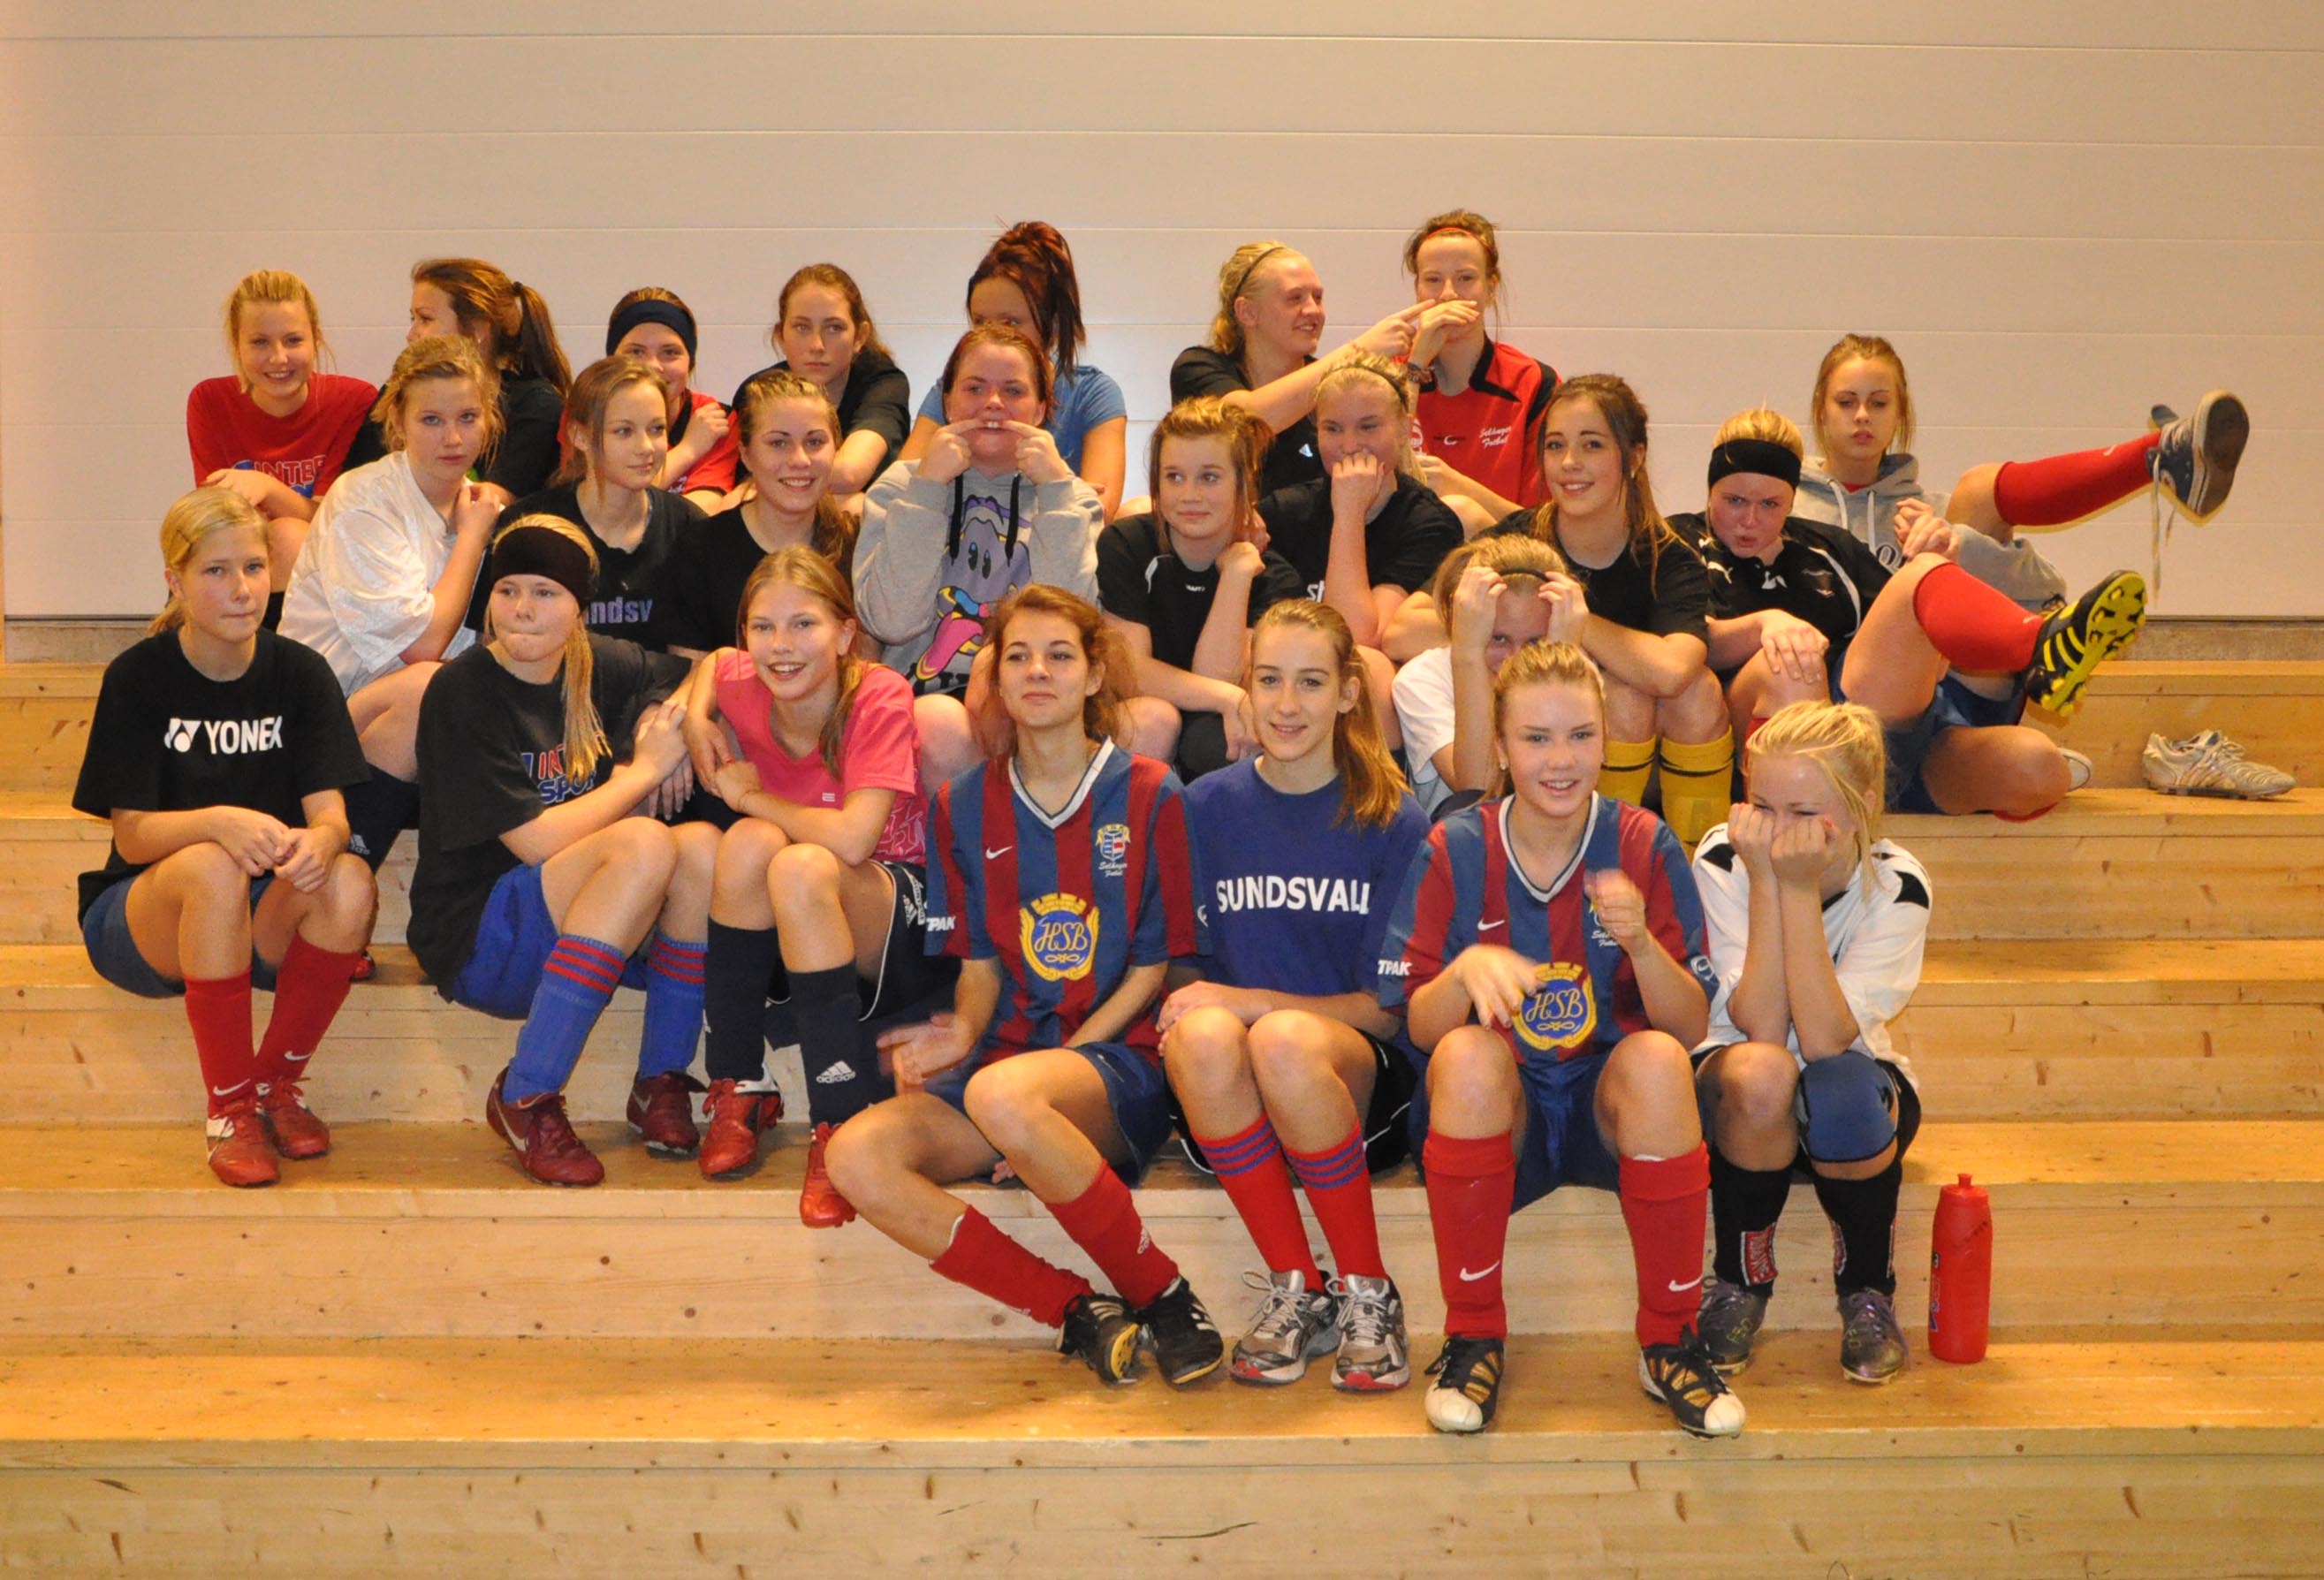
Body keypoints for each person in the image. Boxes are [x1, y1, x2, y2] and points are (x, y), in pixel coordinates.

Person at [823, 587, 1220, 1386]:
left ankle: (1166, 1297)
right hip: (1003, 1072)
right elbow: (978, 967)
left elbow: (1151, 969)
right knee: (856, 1156)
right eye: (1019, 656)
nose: (1038, 671)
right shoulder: (962, 803)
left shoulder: (1151, 791)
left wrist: (1052, 1080)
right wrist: (963, 1033)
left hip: (1116, 1062)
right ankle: (1075, 1310)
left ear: (1094, 675)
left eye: (1059, 655)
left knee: (1006, 1097)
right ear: (996, 678)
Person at [1378, 641, 1740, 1439]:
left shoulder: (1643, 842)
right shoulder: (1455, 845)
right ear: (1502, 748)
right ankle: (1473, 1334)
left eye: (1579, 735)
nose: (1560, 759)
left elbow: (1687, 1028)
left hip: (1606, 1110)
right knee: (1465, 1052)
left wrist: (1640, 944)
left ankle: (1670, 1339)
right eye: (1536, 738)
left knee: (1656, 1058)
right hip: (1499, 1116)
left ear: (1606, 738)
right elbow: (1418, 1026)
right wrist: (1464, 972)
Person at [71, 488, 375, 1187]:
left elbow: (332, 817)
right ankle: (229, 1109)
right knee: (212, 865)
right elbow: (134, 837)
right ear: (175, 582)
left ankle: (274, 1087)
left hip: (254, 919)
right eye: (215, 571)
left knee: (351, 880)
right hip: (142, 917)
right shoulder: (139, 676)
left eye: (254, 568)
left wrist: (323, 842)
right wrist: (218, 821)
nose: (242, 589)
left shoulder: (300, 672)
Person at [1162, 599, 1431, 1390]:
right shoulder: (1203, 807)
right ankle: (1298, 1287)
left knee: (1277, 1038)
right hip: (1234, 1100)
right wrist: (1226, 1010)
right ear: (1245, 687)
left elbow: (1387, 1010)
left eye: (1311, 682)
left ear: (1348, 693)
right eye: (1269, 680)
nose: (1286, 704)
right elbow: (1182, 977)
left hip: (1356, 1087)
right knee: (1203, 1034)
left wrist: (1256, 1003)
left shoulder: (1392, 818)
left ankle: (1368, 1288)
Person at [408, 519, 713, 1186]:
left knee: (702, 850)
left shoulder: (598, 661)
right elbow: (535, 842)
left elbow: (708, 668)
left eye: (545, 592)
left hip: (572, 928)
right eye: (508, 590)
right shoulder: (463, 689)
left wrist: (666, 725)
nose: (523, 608)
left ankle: (660, 1079)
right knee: (642, 840)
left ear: (579, 607)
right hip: (479, 940)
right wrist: (643, 773)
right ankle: (526, 1093)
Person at [1676, 414, 2148, 817]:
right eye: (1734, 500)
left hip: (1890, 734)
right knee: (1791, 662)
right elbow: (1679, 647)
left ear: (1791, 500)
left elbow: (1904, 625)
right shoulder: (1678, 542)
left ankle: (2154, 457)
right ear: (1710, 489)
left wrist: (1942, 561)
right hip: (1781, 732)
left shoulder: (1826, 546)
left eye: (1770, 504)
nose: (1750, 520)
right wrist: (1765, 624)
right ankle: (2038, 646)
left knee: (2038, 769)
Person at [687, 549, 951, 1216]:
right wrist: (693, 718)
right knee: (748, 846)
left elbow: (855, 840)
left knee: (794, 858)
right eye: (763, 627)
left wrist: (750, 797)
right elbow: (713, 665)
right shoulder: (743, 677)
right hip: (805, 914)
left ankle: (839, 1120)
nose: (781, 645)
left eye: (803, 624)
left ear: (843, 634)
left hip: (902, 911)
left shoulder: (878, 693)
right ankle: (740, 1081)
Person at [1690, 702, 1930, 1385]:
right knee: (1764, 1071)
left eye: (1803, 812)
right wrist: (1768, 880)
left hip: (1846, 1100)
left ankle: (1867, 1291)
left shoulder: (1898, 884)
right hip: (1742, 1098)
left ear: (1861, 807)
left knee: (1842, 1087)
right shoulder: (1723, 856)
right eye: (1762, 807)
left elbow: (1824, 1040)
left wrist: (1794, 889)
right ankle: (1740, 1283)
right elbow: (1763, 1028)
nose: (1777, 831)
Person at [1388, 375, 1731, 852]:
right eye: (1555, 445)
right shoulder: (1518, 541)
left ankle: (1698, 861)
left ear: (1634, 457)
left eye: (1591, 445)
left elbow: (1673, 672)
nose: (1569, 463)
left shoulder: (1668, 557)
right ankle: (1601, 854)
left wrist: (1573, 621)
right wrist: (1503, 625)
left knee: (1694, 692)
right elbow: (1401, 630)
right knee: (1621, 695)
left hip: (1633, 749)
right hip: (1526, 761)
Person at [1794, 332, 2247, 604]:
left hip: (1922, 701)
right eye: (1846, 402)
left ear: (1900, 413)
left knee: (1977, 491)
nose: (1862, 416)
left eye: (1878, 403)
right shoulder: (1779, 504)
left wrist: (1957, 547)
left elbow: (2048, 590)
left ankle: (2161, 455)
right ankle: (2158, 454)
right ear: (1821, 409)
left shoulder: (1928, 513)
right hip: (1813, 693)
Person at [278, 335, 501, 868]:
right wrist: (472, 539)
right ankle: (345, 868)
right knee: (428, 686)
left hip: (410, 718)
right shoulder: (365, 501)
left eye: (468, 417)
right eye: (432, 420)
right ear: (398, 421)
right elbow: (423, 646)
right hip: (321, 724)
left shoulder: (478, 502)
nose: (453, 438)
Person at [854, 323, 1105, 786]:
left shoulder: (1072, 497)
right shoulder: (901, 486)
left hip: (1035, 697)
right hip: (924, 702)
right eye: (974, 388)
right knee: (939, 722)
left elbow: (1071, 626)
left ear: (1041, 410)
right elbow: (891, 621)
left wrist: (1054, 492)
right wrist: (928, 489)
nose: (993, 403)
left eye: (1013, 391)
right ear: (948, 403)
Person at [1097, 396, 1305, 779]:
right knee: (1154, 720)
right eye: (1174, 477)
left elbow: (1219, 674)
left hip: (1213, 727)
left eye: (1209, 477)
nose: (1189, 494)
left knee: (1228, 740)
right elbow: (1127, 672)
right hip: (1144, 714)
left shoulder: (1273, 576)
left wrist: (1237, 574)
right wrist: (1227, 697)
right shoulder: (1128, 543)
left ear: (1243, 482)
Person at [477, 355, 705, 651]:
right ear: (579, 436)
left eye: (657, 429)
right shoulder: (527, 526)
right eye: (624, 431)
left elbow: (701, 663)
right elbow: (494, 647)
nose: (646, 447)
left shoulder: (690, 529)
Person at [900, 223, 1128, 517]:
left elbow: (1099, 510)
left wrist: (1054, 480)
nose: (994, 334)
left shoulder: (1094, 393)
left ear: (1053, 327)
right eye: (981, 322)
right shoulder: (953, 389)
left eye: (1011, 323)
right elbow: (905, 486)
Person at [186, 270, 377, 615]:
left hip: (327, 578)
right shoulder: (210, 401)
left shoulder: (353, 401)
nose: (278, 358)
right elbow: (217, 520)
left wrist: (268, 489)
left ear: (315, 339)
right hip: (235, 563)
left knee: (288, 535)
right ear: (237, 345)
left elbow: (335, 521)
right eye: (260, 342)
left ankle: (274, 649)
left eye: (293, 340)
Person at [1173, 240, 1429, 497]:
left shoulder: (1329, 385)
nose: (1313, 310)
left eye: (1318, 298)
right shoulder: (1198, 367)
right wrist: (1360, 349)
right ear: (1247, 312)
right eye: (1295, 298)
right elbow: (1243, 426)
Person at [1254, 353, 1465, 654]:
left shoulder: (1429, 523)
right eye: (1333, 429)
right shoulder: (1284, 511)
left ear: (1405, 430)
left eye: (1368, 427)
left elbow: (1356, 639)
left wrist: (1349, 512)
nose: (1350, 446)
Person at [658, 371, 858, 658]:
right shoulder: (700, 550)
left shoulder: (856, 546)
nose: (800, 460)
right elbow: (692, 674)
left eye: (815, 442)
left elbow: (864, 667)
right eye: (778, 443)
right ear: (746, 455)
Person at [343, 257, 573, 504]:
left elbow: (490, 503)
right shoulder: (399, 391)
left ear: (476, 330)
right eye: (431, 420)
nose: (411, 335)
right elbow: (359, 485)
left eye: (426, 319)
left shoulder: (535, 404)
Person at [1392, 535, 1584, 817]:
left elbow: (1564, 783)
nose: (1515, 658)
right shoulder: (1422, 679)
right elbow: (1480, 791)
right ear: (1464, 623)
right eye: (1499, 638)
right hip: (1467, 832)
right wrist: (1468, 653)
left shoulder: (1578, 674)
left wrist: (1557, 669)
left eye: (1535, 642)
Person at [1400, 210, 1560, 526]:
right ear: (1417, 289)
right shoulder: (1390, 374)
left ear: (1490, 288)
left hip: (1503, 551)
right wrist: (1414, 367)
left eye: (1466, 278)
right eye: (1433, 280)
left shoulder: (1533, 382)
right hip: (1409, 551)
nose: (1448, 294)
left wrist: (1457, 486)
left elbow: (1543, 527)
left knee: (1459, 509)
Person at [731, 263, 912, 508]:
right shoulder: (757, 392)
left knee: (856, 506)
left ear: (860, 336)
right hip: (776, 523)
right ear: (781, 335)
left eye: (834, 328)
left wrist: (775, 485)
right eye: (802, 327)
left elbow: (849, 473)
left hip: (859, 524)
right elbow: (741, 492)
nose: (817, 345)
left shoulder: (883, 383)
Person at [604, 287, 737, 508]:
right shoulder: (586, 414)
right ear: (611, 360)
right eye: (636, 352)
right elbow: (600, 505)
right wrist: (689, 449)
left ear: (690, 362)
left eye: (670, 352)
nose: (653, 366)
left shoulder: (715, 420)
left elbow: (704, 510)